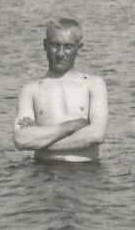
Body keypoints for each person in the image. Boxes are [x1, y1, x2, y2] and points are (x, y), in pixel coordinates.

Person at [14, 17, 108, 162]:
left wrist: (39, 141)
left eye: (68, 46)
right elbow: (20, 139)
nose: (61, 53)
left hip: (85, 175)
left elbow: (96, 135)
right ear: (45, 45)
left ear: (79, 48)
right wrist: (70, 127)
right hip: (44, 175)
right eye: (55, 45)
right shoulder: (30, 90)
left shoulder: (94, 85)